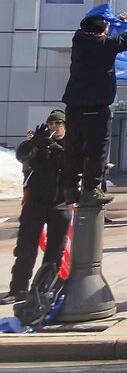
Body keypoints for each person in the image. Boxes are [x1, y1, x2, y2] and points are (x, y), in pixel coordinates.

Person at [60, 9, 127, 206]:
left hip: (73, 105)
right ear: (102, 31)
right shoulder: (105, 45)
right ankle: (91, 189)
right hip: (96, 106)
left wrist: (111, 22)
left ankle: (70, 188)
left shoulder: (78, 41)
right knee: (97, 150)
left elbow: (95, 31)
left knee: (73, 147)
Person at [3, 110, 71, 305]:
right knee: (25, 248)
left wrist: (55, 147)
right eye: (51, 123)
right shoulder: (39, 143)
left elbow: (76, 163)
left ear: (65, 126)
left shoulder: (71, 145)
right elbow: (22, 156)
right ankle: (19, 289)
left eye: (58, 123)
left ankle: (44, 288)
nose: (54, 127)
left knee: (55, 252)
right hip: (36, 203)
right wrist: (34, 143)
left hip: (60, 203)